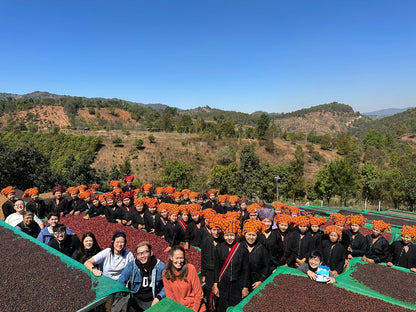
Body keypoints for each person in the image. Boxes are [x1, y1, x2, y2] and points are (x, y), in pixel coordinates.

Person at [85, 231, 134, 312]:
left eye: (122, 242)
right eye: (117, 242)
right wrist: (94, 270)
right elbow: (87, 262)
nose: (119, 244)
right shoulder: (107, 252)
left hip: (120, 286)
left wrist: (128, 282)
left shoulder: (128, 255)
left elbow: (132, 271)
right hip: (106, 285)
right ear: (113, 242)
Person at [212, 219, 249, 312]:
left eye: (232, 235)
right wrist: (215, 284)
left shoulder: (242, 249)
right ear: (223, 235)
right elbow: (216, 267)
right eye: (227, 235)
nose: (229, 238)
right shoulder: (219, 248)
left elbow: (246, 269)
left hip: (238, 285)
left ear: (236, 235)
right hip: (223, 285)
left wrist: (245, 287)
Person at [118, 241, 166, 311]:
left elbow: (168, 286)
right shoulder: (131, 266)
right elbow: (121, 281)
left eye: (145, 252)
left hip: (153, 299)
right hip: (135, 298)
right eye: (139, 254)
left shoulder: (160, 267)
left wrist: (158, 297)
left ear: (151, 253)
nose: (142, 256)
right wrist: (125, 294)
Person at [163, 245, 205, 312]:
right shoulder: (166, 274)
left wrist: (194, 310)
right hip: (179, 308)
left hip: (195, 307)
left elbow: (199, 294)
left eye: (181, 258)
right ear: (171, 258)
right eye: (176, 258)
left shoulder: (190, 269)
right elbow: (170, 296)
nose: (179, 261)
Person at [200, 214, 223, 311]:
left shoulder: (222, 241)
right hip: (209, 270)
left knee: (219, 290)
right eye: (214, 229)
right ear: (210, 229)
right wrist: (203, 273)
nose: (216, 232)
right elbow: (203, 258)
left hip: (220, 271)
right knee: (209, 290)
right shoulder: (206, 241)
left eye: (218, 230)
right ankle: (210, 307)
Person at [241, 219, 270, 291]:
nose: (251, 237)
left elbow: (267, 266)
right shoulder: (240, 247)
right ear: (245, 234)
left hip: (256, 282)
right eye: (249, 235)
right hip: (241, 283)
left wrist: (261, 280)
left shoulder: (261, 248)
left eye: (253, 235)